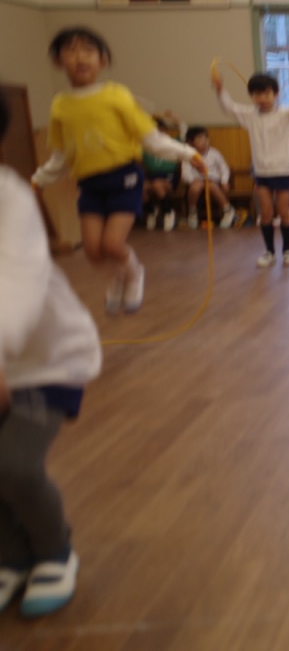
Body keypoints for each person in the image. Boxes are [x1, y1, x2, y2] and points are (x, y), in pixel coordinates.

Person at [0, 86, 102, 618]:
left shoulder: (9, 198)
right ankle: (11, 557)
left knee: (14, 464)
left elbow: (16, 283)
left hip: (46, 360)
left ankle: (53, 550)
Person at [32, 27, 204, 313]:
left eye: (88, 50)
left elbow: (151, 139)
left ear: (102, 60)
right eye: (71, 51)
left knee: (112, 244)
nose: (80, 57)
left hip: (124, 178)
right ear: (59, 61)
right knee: (92, 250)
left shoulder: (117, 95)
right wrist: (38, 180)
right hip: (89, 185)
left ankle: (134, 273)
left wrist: (189, 153)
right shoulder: (60, 105)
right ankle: (117, 277)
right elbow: (61, 157)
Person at [212, 64, 289, 268]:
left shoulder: (286, 114)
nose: (262, 98)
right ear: (252, 96)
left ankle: (287, 251)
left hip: (282, 170)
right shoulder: (250, 115)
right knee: (265, 214)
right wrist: (220, 89)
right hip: (261, 172)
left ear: (275, 94)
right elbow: (229, 108)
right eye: (257, 94)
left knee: (284, 213)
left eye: (266, 93)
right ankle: (269, 252)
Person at [181, 126, 236, 229]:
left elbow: (224, 169)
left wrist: (224, 181)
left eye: (206, 138)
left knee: (211, 185)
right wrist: (192, 180)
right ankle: (192, 212)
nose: (204, 141)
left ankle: (228, 210)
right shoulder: (189, 156)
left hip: (213, 181)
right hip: (196, 182)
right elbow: (185, 173)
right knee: (195, 187)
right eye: (199, 138)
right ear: (191, 142)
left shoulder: (215, 153)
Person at [142, 118, 180, 231]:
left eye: (162, 130)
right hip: (152, 177)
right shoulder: (147, 147)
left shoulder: (173, 144)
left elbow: (184, 133)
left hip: (169, 178)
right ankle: (151, 211)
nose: (160, 134)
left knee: (157, 185)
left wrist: (175, 120)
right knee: (141, 187)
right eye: (157, 131)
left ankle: (168, 212)